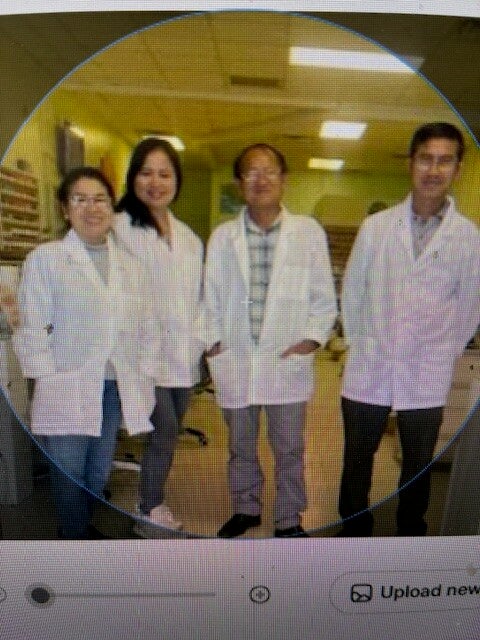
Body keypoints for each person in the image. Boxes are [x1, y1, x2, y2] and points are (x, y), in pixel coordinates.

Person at [337, 122, 480, 537]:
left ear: (457, 169)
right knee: (357, 459)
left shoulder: (468, 237)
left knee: (418, 463)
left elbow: (470, 306)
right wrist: (362, 343)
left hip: (426, 370)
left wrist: (443, 351)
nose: (433, 170)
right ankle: (353, 530)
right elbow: (353, 291)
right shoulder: (376, 227)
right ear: (411, 163)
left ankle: (410, 533)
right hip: (370, 366)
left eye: (444, 161)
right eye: (425, 159)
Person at [13, 167, 160, 539]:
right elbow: (32, 323)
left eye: (100, 199)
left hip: (113, 384)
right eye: (80, 200)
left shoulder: (130, 265)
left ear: (112, 207)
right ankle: (73, 537)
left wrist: (146, 368)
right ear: (65, 209)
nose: (92, 208)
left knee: (97, 472)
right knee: (69, 472)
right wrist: (46, 377)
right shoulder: (46, 259)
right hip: (68, 382)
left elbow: (146, 323)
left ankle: (81, 528)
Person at [204, 143, 337, 538]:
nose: (260, 180)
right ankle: (246, 508)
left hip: (285, 358)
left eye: (269, 171)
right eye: (251, 172)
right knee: (240, 445)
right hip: (237, 357)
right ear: (239, 182)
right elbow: (209, 298)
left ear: (284, 179)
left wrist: (310, 342)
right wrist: (213, 343)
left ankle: (288, 518)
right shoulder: (223, 237)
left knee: (289, 447)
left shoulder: (308, 232)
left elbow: (323, 298)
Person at [115, 137, 204, 535]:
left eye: (164, 174)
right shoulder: (118, 227)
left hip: (181, 354)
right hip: (139, 355)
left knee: (168, 434)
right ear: (133, 177)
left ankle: (149, 502)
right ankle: (149, 507)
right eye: (146, 173)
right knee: (164, 429)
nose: (155, 182)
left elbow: (197, 296)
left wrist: (203, 341)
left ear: (176, 180)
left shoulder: (188, 237)